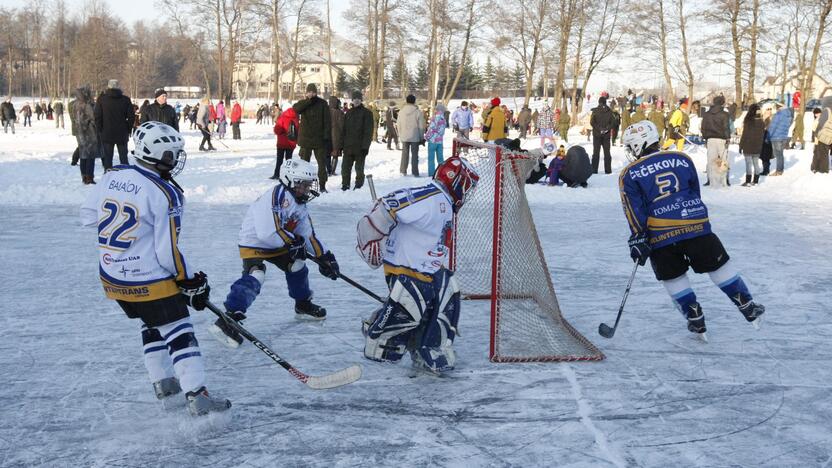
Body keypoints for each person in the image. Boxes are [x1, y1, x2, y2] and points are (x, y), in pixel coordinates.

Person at [80, 121, 231, 415]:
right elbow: (166, 252)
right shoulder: (165, 193)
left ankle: (163, 383)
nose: (176, 159)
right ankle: (198, 395)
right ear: (160, 156)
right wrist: (188, 280)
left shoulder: (114, 175)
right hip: (148, 278)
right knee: (180, 329)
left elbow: (87, 216)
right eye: (173, 154)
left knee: (151, 323)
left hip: (112, 278)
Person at [619, 120, 765, 341]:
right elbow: (694, 191)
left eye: (631, 146)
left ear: (638, 144)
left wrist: (638, 237)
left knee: (673, 275)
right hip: (697, 228)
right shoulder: (682, 158)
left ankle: (694, 315)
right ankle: (744, 302)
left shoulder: (629, 173)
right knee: (718, 265)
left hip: (660, 235)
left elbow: (634, 209)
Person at [356, 156, 479, 373]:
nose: (466, 193)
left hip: (427, 271)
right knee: (410, 313)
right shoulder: (430, 197)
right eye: (466, 186)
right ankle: (380, 328)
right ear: (456, 182)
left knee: (448, 289)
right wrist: (372, 244)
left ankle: (425, 347)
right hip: (408, 272)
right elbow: (386, 206)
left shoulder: (443, 202)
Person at [209, 159, 340, 348]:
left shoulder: (299, 204)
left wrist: (325, 257)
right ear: (289, 180)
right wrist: (292, 243)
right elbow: (266, 232)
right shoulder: (276, 196)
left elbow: (308, 235)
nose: (306, 189)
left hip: (279, 242)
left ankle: (302, 304)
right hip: (255, 242)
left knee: (297, 265)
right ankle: (229, 317)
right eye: (302, 185)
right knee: (256, 274)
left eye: (308, 185)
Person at [293, 84, 332, 192]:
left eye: (312, 92)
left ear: (316, 92)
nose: (311, 94)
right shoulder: (304, 103)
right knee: (304, 164)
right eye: (309, 92)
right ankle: (303, 185)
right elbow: (296, 109)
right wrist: (309, 101)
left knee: (321, 164)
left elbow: (327, 121)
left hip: (319, 140)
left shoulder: (322, 104)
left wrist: (326, 137)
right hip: (306, 140)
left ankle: (323, 185)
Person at [95, 79, 134, 169]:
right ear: (118, 87)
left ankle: (108, 176)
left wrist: (100, 130)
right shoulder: (126, 100)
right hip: (122, 132)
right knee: (124, 158)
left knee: (108, 158)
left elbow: (97, 116)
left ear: (108, 87)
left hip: (107, 132)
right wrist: (128, 129)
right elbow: (131, 117)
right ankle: (125, 176)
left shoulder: (102, 99)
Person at [340, 91, 374, 190]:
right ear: (352, 100)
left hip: (360, 147)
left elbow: (368, 132)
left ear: (361, 100)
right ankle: (345, 185)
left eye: (358, 99)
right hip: (348, 146)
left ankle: (359, 185)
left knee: (359, 169)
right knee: (345, 168)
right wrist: (342, 144)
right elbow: (344, 130)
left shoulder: (367, 113)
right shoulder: (348, 113)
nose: (356, 101)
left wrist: (365, 147)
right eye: (355, 99)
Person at [72, 86, 101, 185]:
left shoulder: (75, 104)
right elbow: (93, 118)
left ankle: (84, 176)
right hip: (90, 133)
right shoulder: (87, 105)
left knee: (83, 155)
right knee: (90, 155)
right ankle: (89, 177)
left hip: (79, 133)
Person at [701, 95, 731, 186]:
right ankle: (725, 180)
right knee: (724, 159)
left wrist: (705, 138)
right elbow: (726, 128)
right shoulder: (725, 114)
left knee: (710, 160)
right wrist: (728, 138)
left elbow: (703, 127)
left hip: (710, 139)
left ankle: (710, 180)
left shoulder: (706, 114)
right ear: (722, 103)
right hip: (721, 139)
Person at [397, 94, 426, 176]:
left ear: (406, 101)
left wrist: (400, 135)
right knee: (415, 155)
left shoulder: (401, 111)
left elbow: (398, 124)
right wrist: (421, 137)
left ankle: (403, 171)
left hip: (404, 136)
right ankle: (415, 172)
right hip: (415, 136)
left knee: (404, 154)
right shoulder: (418, 112)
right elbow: (421, 126)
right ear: (414, 101)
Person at [738, 103, 765, 186]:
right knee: (756, 163)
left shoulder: (748, 121)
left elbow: (744, 135)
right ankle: (756, 181)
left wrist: (741, 146)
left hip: (748, 146)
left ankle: (748, 181)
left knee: (749, 164)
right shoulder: (761, 122)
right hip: (757, 146)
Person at [590, 96, 614, 174]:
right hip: (606, 136)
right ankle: (608, 171)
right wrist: (607, 129)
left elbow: (592, 122)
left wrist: (599, 129)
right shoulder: (610, 111)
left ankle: (594, 170)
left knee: (596, 153)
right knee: (607, 153)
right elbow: (613, 122)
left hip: (597, 135)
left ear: (599, 102)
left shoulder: (595, 111)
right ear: (605, 102)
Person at [767, 104, 793, 176]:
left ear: (779, 108)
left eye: (776, 108)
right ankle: (780, 170)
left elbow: (773, 126)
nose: (776, 109)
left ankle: (778, 171)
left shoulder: (778, 115)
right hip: (784, 137)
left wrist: (768, 136)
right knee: (780, 154)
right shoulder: (788, 115)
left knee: (778, 154)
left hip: (776, 137)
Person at [424, 103, 447, 177]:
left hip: (433, 141)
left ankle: (431, 173)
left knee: (431, 158)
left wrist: (426, 137)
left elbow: (431, 129)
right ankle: (441, 173)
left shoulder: (435, 118)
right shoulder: (443, 119)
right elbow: (442, 131)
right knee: (440, 158)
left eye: (436, 109)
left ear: (437, 110)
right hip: (440, 141)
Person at [812, 96, 832, 173]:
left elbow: (821, 123)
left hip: (823, 135)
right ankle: (822, 169)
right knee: (825, 153)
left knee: (822, 154)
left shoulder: (826, 111)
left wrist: (816, 133)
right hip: (829, 136)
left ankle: (823, 170)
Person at [329, 96, 344, 175]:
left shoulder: (326, 111)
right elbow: (342, 125)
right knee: (335, 155)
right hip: (337, 137)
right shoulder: (339, 113)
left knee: (327, 154)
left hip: (327, 137)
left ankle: (327, 169)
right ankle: (332, 170)